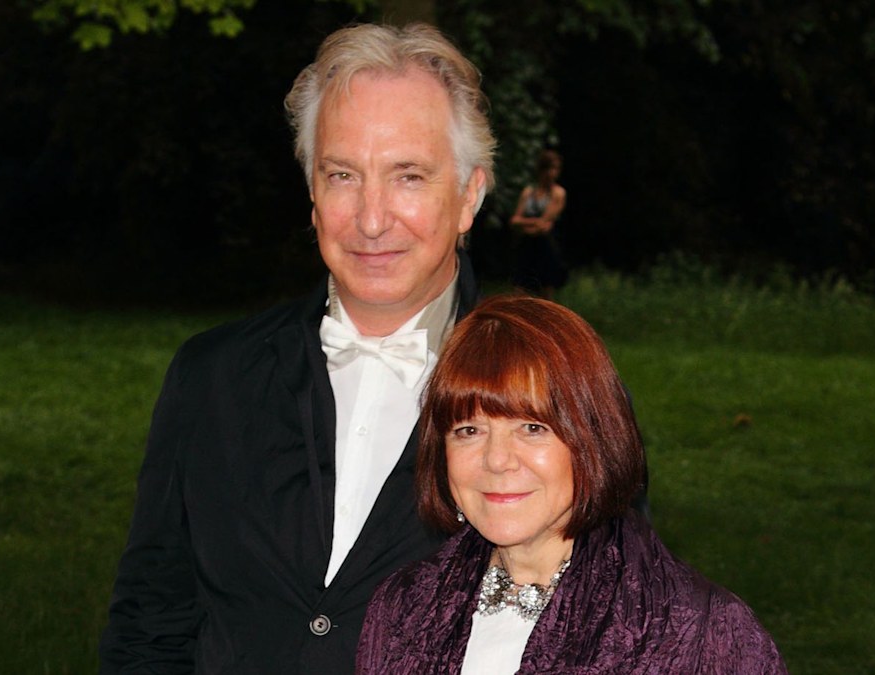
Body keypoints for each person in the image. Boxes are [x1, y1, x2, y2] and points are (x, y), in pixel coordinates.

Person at [97, 23, 498, 674]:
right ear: (312, 193)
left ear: (469, 195)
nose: (371, 219)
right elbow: (150, 625)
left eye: (408, 176)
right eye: (342, 175)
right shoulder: (212, 377)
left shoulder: (550, 390)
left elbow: (609, 631)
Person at [357, 296, 786, 674]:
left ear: (594, 440)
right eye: (469, 430)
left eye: (532, 428)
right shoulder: (403, 607)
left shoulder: (705, 634)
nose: (497, 460)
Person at [509, 149, 568, 299]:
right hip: (526, 247)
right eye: (550, 168)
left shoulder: (558, 193)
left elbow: (543, 224)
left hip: (545, 247)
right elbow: (514, 220)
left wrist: (524, 225)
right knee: (520, 290)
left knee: (545, 293)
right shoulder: (529, 192)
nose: (553, 173)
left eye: (556, 169)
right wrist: (534, 223)